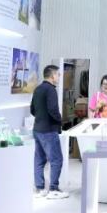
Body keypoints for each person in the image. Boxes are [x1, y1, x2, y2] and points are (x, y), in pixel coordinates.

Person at [31, 65, 69, 199]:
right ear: (52, 75)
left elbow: (32, 110)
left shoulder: (38, 89)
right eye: (58, 74)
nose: (59, 76)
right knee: (56, 159)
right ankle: (53, 189)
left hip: (37, 129)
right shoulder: (51, 90)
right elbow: (53, 109)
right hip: (49, 130)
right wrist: (60, 120)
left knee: (39, 160)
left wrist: (41, 117)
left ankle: (39, 189)